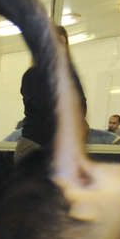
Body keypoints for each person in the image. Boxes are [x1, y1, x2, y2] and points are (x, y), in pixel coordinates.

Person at [15, 25, 87, 162]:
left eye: (62, 43)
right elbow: (42, 107)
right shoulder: (32, 75)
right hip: (35, 144)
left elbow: (81, 106)